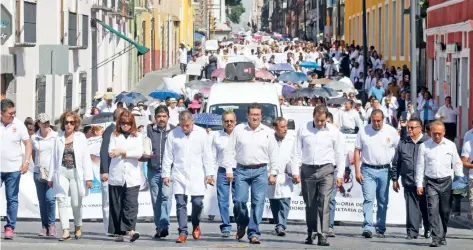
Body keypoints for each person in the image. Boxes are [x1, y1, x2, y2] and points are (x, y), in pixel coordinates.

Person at [223, 103, 279, 244]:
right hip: (242, 170)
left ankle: (253, 232)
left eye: (258, 115)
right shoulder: (239, 130)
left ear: (261, 116)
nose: (255, 117)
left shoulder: (267, 132)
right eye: (253, 114)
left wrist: (273, 172)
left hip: (260, 171)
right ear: (247, 115)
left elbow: (274, 154)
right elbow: (229, 150)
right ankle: (243, 222)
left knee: (258, 203)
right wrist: (229, 170)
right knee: (239, 201)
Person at [292, 106, 344, 246]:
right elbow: (296, 151)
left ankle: (323, 234)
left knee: (324, 202)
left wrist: (340, 174)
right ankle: (311, 231)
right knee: (310, 203)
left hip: (326, 170)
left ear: (326, 117)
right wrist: (295, 171)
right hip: (308, 170)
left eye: (322, 120)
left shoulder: (333, 131)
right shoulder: (304, 129)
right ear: (313, 116)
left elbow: (339, 153)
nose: (320, 123)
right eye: (317, 120)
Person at [162, 111, 214, 243]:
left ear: (192, 123)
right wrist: (166, 174)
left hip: (197, 173)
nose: (185, 128)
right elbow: (168, 156)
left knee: (197, 202)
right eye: (182, 125)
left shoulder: (201, 133)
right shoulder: (173, 134)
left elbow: (207, 155)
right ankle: (183, 232)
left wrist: (209, 174)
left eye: (187, 125)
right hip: (179, 173)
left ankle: (196, 224)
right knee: (180, 203)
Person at [415, 121, 464, 247]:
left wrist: (459, 182)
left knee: (445, 210)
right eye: (434, 134)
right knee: (433, 209)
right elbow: (420, 166)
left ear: (444, 133)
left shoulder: (450, 145)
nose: (436, 136)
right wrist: (419, 184)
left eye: (439, 134)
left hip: (446, 182)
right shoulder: (424, 146)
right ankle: (436, 237)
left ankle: (443, 234)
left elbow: (457, 164)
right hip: (431, 182)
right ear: (430, 133)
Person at [354, 109, 399, 238]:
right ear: (371, 120)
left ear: (383, 119)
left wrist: (395, 171)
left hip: (385, 170)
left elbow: (398, 149)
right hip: (367, 169)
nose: (377, 123)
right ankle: (367, 227)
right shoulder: (363, 131)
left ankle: (380, 228)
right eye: (374, 121)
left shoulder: (391, 131)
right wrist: (357, 171)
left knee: (382, 201)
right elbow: (357, 151)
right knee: (368, 199)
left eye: (379, 121)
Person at [48, 111, 93, 241]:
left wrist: (88, 177)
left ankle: (78, 226)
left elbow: (85, 158)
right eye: (66, 122)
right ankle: (65, 230)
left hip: (75, 172)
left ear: (76, 124)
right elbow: (54, 158)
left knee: (76, 202)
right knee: (61, 200)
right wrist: (50, 177)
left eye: (71, 122)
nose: (68, 125)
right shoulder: (58, 137)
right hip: (61, 171)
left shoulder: (80, 137)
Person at [391, 118, 431, 239]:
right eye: (408, 127)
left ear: (420, 129)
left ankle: (428, 228)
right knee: (411, 208)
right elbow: (396, 162)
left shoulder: (428, 143)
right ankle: (412, 232)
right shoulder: (403, 143)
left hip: (426, 182)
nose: (409, 130)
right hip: (408, 180)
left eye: (412, 128)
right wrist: (394, 179)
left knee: (426, 207)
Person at [108, 110, 143, 242]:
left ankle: (131, 230)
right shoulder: (114, 135)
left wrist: (123, 152)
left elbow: (139, 153)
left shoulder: (138, 136)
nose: (125, 126)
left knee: (131, 204)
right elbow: (110, 151)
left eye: (128, 123)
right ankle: (120, 233)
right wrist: (119, 152)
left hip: (131, 175)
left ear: (132, 123)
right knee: (117, 204)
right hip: (116, 174)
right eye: (122, 123)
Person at [1, 99, 32, 239]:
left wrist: (26, 161)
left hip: (13, 168)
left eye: (14, 113)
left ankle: (10, 227)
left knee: (12, 198)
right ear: (1, 113)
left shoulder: (18, 125)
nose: (13, 115)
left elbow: (28, 143)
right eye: (10, 113)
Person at [146, 106, 175, 239]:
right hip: (153, 169)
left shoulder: (174, 130)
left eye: (164, 116)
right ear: (155, 118)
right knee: (155, 199)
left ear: (168, 117)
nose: (161, 119)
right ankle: (159, 227)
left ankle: (164, 224)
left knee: (166, 197)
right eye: (159, 116)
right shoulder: (150, 129)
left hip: (168, 171)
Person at [268, 117, 296, 237]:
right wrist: (269, 173)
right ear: (275, 128)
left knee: (285, 200)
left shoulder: (291, 140)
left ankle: (281, 225)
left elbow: (294, 157)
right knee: (274, 200)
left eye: (286, 127)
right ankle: (277, 222)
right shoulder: (268, 139)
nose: (286, 129)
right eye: (283, 127)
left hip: (285, 175)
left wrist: (294, 172)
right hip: (271, 174)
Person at [211, 110, 237, 238]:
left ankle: (240, 223)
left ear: (235, 121)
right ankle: (226, 225)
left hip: (238, 169)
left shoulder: (240, 135)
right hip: (222, 170)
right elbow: (213, 155)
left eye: (231, 121)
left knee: (239, 200)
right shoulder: (217, 136)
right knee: (223, 200)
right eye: (226, 121)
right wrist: (210, 173)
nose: (229, 123)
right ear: (222, 123)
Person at [31, 113, 58, 237]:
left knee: (50, 199)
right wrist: (37, 165)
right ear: (39, 124)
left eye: (47, 122)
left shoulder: (55, 136)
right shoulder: (34, 138)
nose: (46, 125)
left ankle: (52, 224)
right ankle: (44, 226)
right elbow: (32, 153)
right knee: (42, 200)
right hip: (39, 171)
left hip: (52, 171)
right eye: (43, 123)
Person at [99, 108, 124, 236]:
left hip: (116, 171)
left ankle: (115, 227)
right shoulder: (110, 130)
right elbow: (104, 151)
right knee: (107, 202)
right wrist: (104, 170)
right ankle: (108, 228)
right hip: (107, 171)